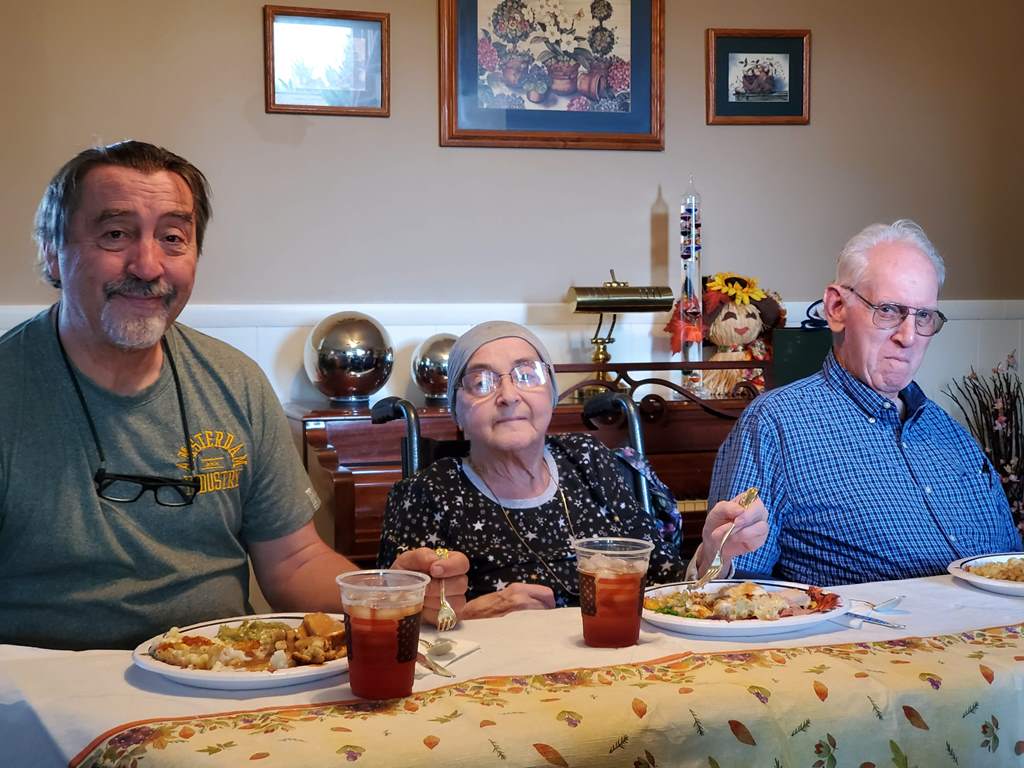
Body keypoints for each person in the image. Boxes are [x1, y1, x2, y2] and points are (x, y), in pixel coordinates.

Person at [0, 140, 467, 650]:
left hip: (218, 678)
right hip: (45, 699)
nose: (148, 265)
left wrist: (391, 591)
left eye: (173, 238)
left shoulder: (235, 382)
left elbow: (293, 561)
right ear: (52, 250)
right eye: (115, 234)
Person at [378, 321, 768, 618]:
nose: (509, 395)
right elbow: (394, 619)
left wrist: (713, 552)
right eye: (481, 382)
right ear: (456, 410)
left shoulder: (589, 459)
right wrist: (468, 618)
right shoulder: (426, 494)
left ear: (550, 392)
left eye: (526, 375)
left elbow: (663, 584)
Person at [709, 219, 1022, 586]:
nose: (908, 336)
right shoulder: (775, 425)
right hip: (866, 640)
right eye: (889, 310)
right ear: (837, 307)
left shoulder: (952, 436)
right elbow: (728, 590)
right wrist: (716, 557)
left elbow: (1010, 566)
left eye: (924, 316)